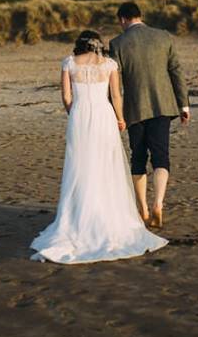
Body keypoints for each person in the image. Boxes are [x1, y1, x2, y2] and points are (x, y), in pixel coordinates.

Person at [30, 30, 168, 264]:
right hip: (104, 117)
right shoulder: (109, 64)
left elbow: (66, 95)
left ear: (80, 45)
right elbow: (116, 95)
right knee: (106, 165)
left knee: (81, 166)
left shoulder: (69, 63)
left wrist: (74, 113)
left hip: (80, 116)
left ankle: (79, 217)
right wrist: (120, 118)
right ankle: (109, 215)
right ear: (98, 45)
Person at [109, 2, 190, 229]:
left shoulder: (117, 43)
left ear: (123, 19)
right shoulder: (163, 36)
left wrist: (114, 112)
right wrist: (184, 105)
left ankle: (143, 209)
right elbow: (176, 71)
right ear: (140, 16)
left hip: (134, 109)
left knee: (138, 157)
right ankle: (158, 204)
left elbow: (114, 84)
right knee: (161, 156)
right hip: (163, 106)